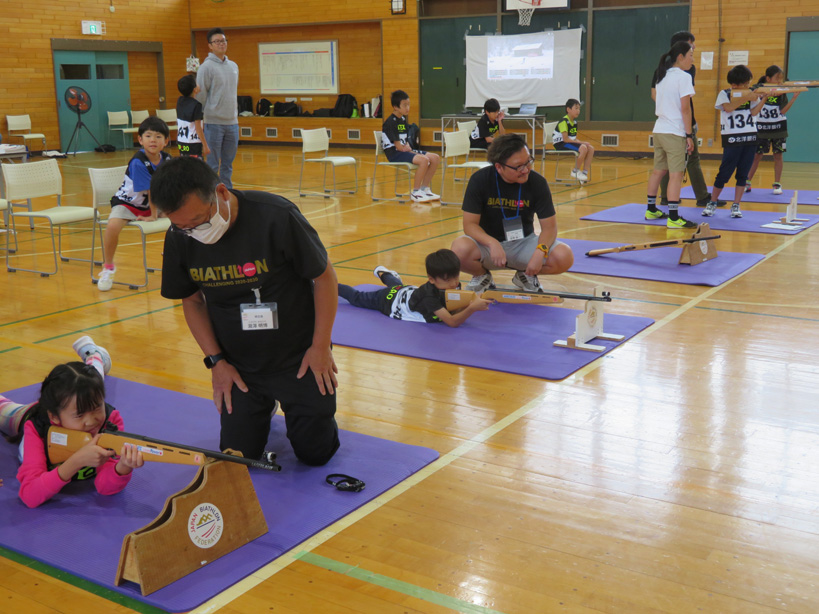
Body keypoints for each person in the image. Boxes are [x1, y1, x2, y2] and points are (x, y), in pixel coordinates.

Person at [152, 156, 340, 466]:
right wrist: (217, 363)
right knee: (238, 456)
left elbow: (324, 278)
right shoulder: (179, 236)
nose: (196, 231)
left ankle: (302, 411)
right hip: (238, 365)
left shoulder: (275, 216)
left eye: (199, 220)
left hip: (299, 356)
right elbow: (192, 301)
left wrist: (320, 347)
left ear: (221, 193)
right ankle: (260, 407)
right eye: (184, 226)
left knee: (315, 454)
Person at [0, 336, 144, 508]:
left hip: (67, 405)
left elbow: (105, 488)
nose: (91, 421)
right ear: (54, 417)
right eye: (80, 415)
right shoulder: (38, 427)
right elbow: (30, 494)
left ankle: (96, 357)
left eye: (97, 408)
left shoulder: (108, 419)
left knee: (88, 382)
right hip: (33, 414)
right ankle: (95, 356)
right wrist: (76, 461)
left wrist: (123, 468)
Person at [450, 133, 574, 293]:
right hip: (486, 245)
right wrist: (491, 243)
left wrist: (540, 251)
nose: (526, 170)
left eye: (528, 162)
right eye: (519, 166)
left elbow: (549, 228)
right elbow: (469, 225)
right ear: (499, 167)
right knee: (458, 250)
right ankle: (482, 276)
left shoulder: (537, 183)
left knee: (564, 256)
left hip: (523, 243)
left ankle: (525, 275)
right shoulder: (480, 180)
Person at [98, 116, 171, 291]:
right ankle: (108, 267)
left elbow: (169, 186)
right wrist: (154, 215)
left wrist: (167, 209)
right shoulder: (139, 161)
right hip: (127, 204)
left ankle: (175, 259)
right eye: (148, 136)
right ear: (140, 140)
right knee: (112, 226)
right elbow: (151, 189)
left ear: (166, 141)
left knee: (184, 220)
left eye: (159, 136)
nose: (153, 140)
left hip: (152, 205)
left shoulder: (167, 160)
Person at [338, 250, 492, 327]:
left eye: (456, 277)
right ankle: (331, 286)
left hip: (407, 292)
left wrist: (471, 301)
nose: (453, 284)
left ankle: (383, 272)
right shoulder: (429, 298)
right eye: (447, 280)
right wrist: (472, 308)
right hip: (389, 301)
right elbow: (451, 321)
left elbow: (454, 306)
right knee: (357, 297)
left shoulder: (450, 284)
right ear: (431, 279)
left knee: (397, 285)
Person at [651, 31, 713, 207]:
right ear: (681, 52)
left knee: (661, 169)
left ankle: (654, 206)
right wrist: (684, 127)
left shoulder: (664, 70)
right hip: (676, 126)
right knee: (675, 171)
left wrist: (667, 108)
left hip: (662, 126)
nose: (693, 50)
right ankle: (672, 209)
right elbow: (684, 106)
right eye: (690, 46)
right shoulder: (680, 73)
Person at [644, 41, 697, 229]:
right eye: (690, 55)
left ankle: (651, 209)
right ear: (680, 57)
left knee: (658, 171)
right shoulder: (683, 77)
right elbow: (685, 109)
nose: (692, 59)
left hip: (659, 129)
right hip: (674, 131)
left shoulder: (662, 75)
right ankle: (674, 218)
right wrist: (689, 135)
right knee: (675, 175)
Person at [702, 65, 764, 219]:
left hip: (749, 138)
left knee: (743, 174)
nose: (748, 86)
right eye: (746, 83)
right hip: (732, 139)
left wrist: (764, 98)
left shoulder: (750, 94)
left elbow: (754, 112)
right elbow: (728, 108)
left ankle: (736, 204)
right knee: (724, 172)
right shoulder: (725, 94)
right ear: (737, 83)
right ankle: (713, 202)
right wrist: (746, 97)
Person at [745, 65, 800, 195]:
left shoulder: (782, 93)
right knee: (757, 156)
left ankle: (777, 184)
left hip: (778, 129)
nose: (780, 82)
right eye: (777, 78)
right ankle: (747, 181)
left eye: (781, 79)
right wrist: (766, 93)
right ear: (768, 78)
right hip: (761, 129)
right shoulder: (757, 88)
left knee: (778, 155)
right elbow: (751, 97)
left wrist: (793, 97)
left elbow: (783, 111)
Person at [196, 27, 239, 188]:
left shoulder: (234, 66)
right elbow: (201, 96)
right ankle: (211, 193)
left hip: (232, 123)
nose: (221, 44)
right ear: (210, 45)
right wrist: (201, 120)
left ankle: (227, 193)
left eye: (224, 40)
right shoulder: (206, 68)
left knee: (228, 165)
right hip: (213, 123)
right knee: (213, 165)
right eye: (217, 41)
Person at [381, 90, 440, 203]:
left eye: (408, 104)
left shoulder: (403, 119)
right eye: (404, 105)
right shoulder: (390, 122)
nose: (407, 107)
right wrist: (411, 151)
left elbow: (406, 141)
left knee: (435, 158)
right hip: (394, 153)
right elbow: (398, 147)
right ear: (395, 107)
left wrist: (409, 147)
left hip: (403, 150)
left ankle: (424, 189)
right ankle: (416, 191)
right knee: (424, 160)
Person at [552, 99, 594, 183]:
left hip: (567, 142)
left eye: (579, 109)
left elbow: (573, 138)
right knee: (583, 148)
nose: (578, 111)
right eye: (576, 108)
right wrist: (582, 143)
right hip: (560, 144)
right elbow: (566, 139)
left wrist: (583, 142)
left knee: (590, 148)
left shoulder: (574, 122)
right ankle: (575, 171)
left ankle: (584, 174)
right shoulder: (564, 122)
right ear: (568, 109)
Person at [176, 74, 210, 159]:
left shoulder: (179, 101)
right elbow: (198, 128)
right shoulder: (197, 105)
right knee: (195, 168)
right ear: (195, 89)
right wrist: (205, 145)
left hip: (181, 141)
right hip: (193, 143)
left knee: (185, 164)